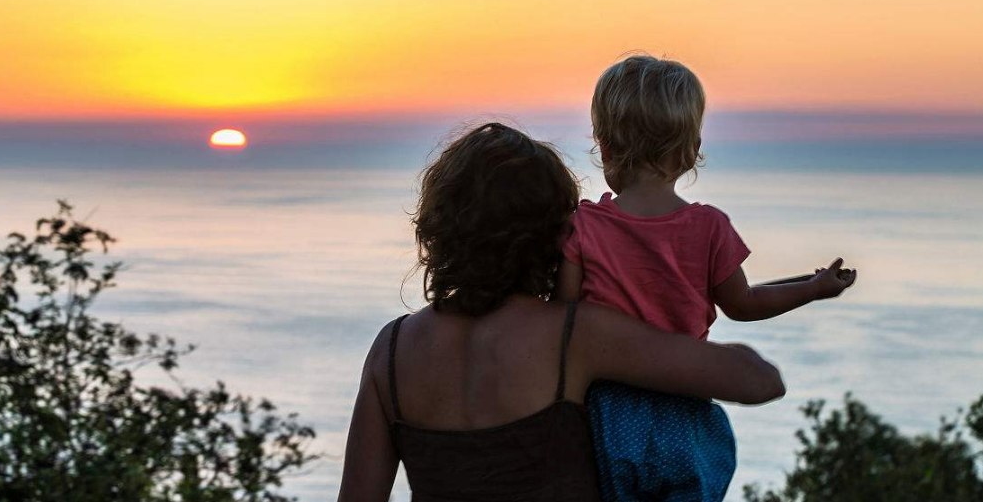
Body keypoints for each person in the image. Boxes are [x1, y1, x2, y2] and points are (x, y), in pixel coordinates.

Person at [337, 122, 785, 502]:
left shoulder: (390, 351)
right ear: (554, 231)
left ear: (439, 225)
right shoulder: (574, 336)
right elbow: (759, 381)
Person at [557, 55, 857, 501]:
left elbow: (562, 321)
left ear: (604, 147)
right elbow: (743, 303)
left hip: (606, 417)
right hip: (686, 410)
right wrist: (812, 289)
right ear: (692, 150)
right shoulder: (709, 228)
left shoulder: (584, 226)